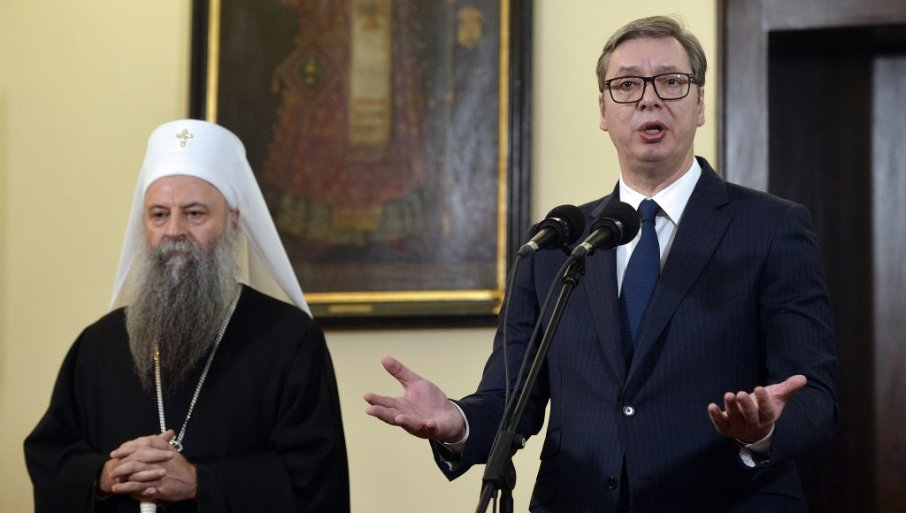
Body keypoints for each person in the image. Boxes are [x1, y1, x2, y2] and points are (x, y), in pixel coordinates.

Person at [364, 15, 837, 513]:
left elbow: (815, 397)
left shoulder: (772, 228)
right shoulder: (556, 242)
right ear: (603, 111)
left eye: (671, 82)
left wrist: (765, 428)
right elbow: (510, 398)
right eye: (627, 85)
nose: (649, 99)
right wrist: (456, 421)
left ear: (699, 104)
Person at [24, 119, 349, 513]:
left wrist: (200, 482)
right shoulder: (99, 344)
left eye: (194, 213)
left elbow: (316, 478)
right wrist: (106, 476)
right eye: (159, 215)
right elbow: (51, 458)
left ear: (233, 221)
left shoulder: (290, 340)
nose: (174, 230)